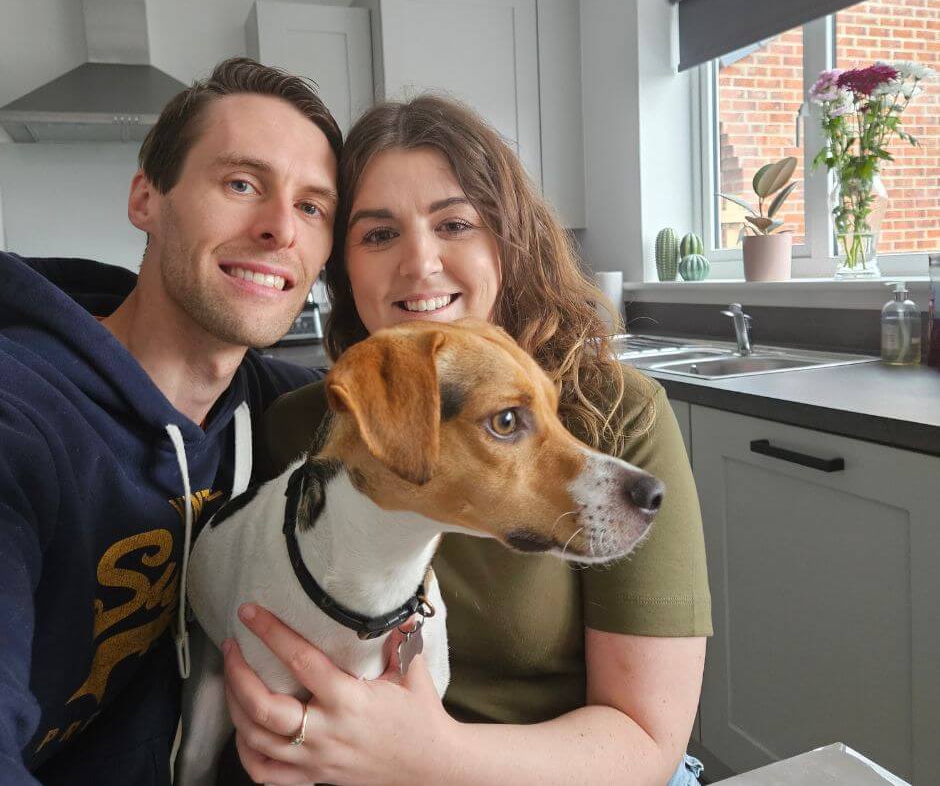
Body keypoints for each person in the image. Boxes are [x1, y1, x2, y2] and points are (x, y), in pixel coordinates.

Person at [220, 95, 712, 785]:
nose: (421, 264)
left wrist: (430, 758)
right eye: (378, 234)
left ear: (508, 241)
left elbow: (648, 739)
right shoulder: (302, 429)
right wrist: (271, 725)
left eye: (455, 223)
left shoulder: (618, 415)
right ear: (341, 268)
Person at [0, 58, 342, 785]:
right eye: (242, 184)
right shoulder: (21, 416)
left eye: (312, 207)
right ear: (146, 198)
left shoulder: (279, 408)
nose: (280, 228)